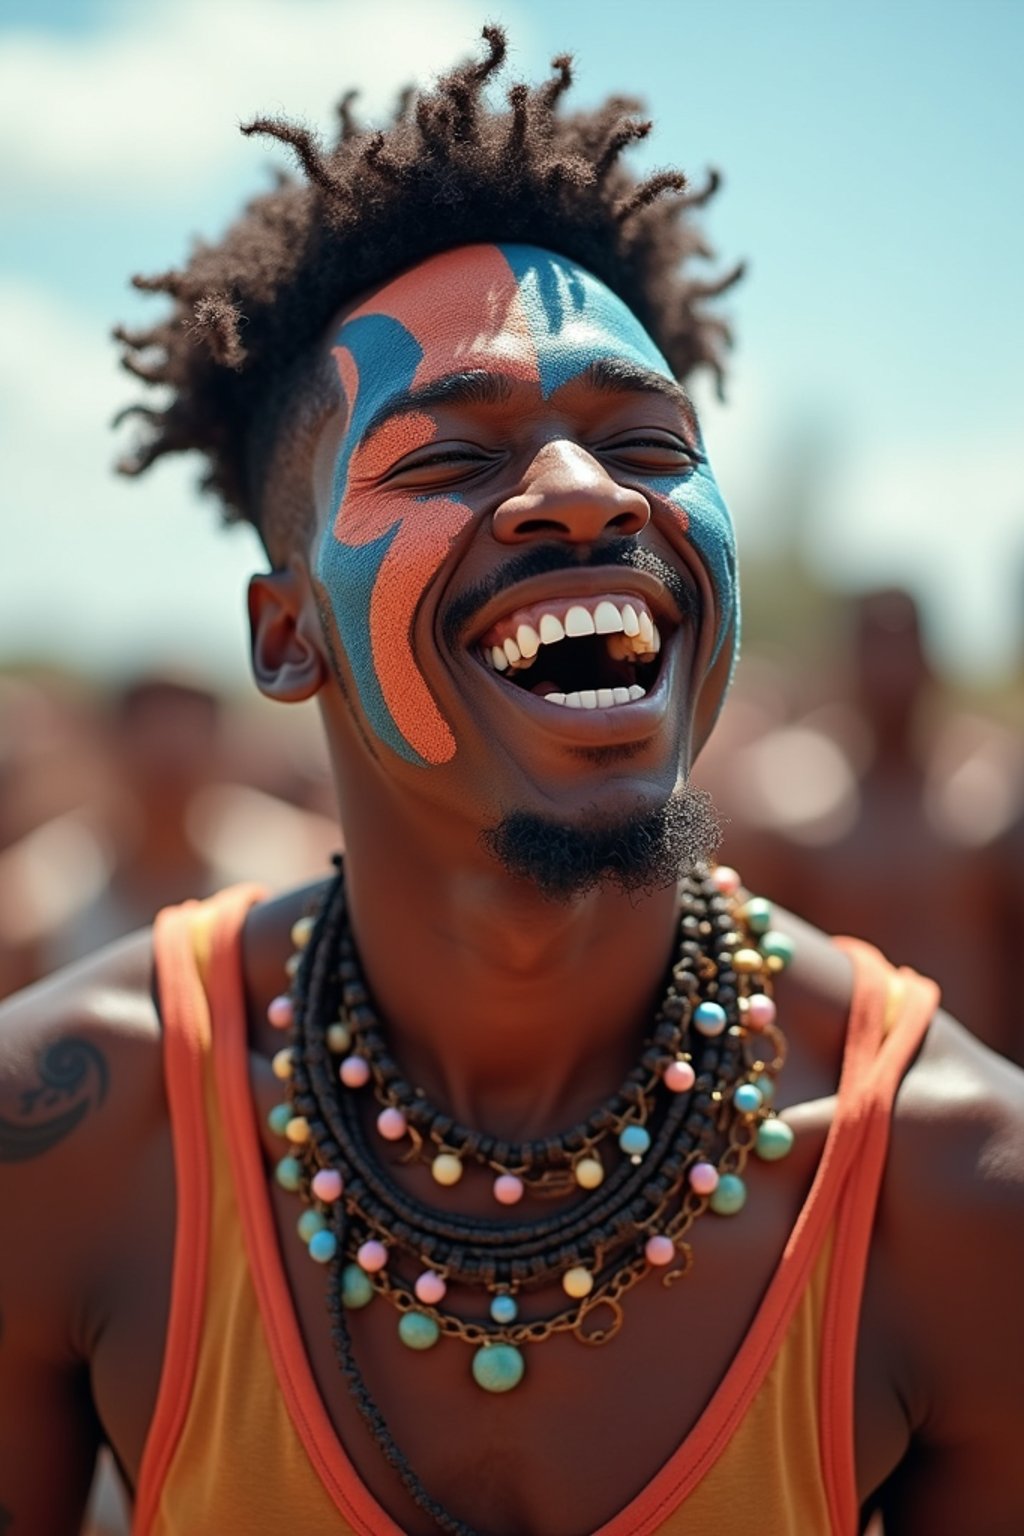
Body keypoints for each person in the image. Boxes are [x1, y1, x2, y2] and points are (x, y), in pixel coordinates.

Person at [1, 29, 1022, 1536]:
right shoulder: (72, 1135)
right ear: (289, 638)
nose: (582, 491)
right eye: (449, 458)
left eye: (649, 442)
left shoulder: (957, 1191)